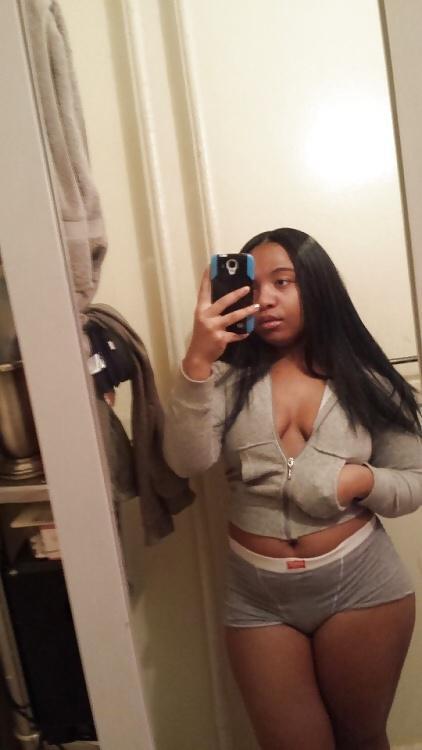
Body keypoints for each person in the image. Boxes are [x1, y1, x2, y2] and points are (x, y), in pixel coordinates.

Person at [163, 228, 421, 750]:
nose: (265, 298)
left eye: (283, 282)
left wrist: (358, 479)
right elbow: (187, 461)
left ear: (317, 286)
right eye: (254, 285)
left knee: (362, 739)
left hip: (361, 586)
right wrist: (197, 362)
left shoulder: (365, 379)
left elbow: (414, 481)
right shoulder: (222, 381)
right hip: (257, 597)